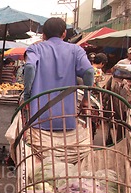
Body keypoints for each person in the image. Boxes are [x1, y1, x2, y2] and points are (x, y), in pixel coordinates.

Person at [22, 17, 94, 161]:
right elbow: (89, 72)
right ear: (64, 34)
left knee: (40, 165)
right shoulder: (76, 50)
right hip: (67, 119)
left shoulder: (35, 49)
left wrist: (27, 95)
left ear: (43, 35)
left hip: (39, 119)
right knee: (68, 165)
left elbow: (29, 67)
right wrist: (86, 98)